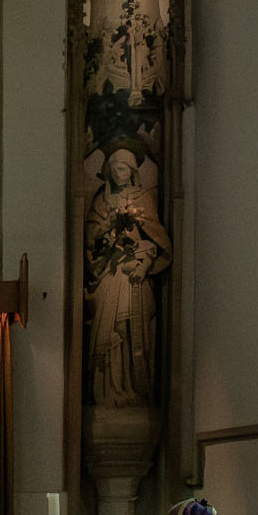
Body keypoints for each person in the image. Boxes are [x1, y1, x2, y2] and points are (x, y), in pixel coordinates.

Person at [85, 145, 172, 407]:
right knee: (107, 328)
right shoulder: (102, 200)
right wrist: (107, 231)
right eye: (113, 170)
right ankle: (109, 391)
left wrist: (142, 256)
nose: (118, 174)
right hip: (110, 271)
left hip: (134, 271)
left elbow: (154, 236)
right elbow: (90, 238)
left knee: (132, 328)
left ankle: (133, 389)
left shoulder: (143, 198)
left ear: (132, 171)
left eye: (122, 169)